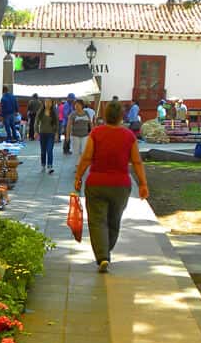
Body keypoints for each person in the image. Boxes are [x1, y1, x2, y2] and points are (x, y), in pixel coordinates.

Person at [73, 101, 149, 273]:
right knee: (114, 220)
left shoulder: (96, 133)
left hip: (96, 184)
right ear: (122, 117)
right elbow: (136, 161)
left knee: (97, 221)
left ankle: (102, 256)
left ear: (105, 116)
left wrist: (78, 177)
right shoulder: (129, 136)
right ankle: (106, 250)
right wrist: (143, 183)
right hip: (120, 185)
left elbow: (86, 158)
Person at [36, 98, 59, 174]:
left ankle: (50, 166)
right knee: (43, 151)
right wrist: (36, 131)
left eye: (49, 102)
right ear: (44, 103)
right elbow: (36, 122)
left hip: (51, 134)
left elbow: (56, 123)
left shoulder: (54, 112)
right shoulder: (41, 111)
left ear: (52, 103)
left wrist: (56, 134)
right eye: (46, 102)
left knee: (49, 150)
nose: (48, 103)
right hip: (42, 133)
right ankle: (43, 165)